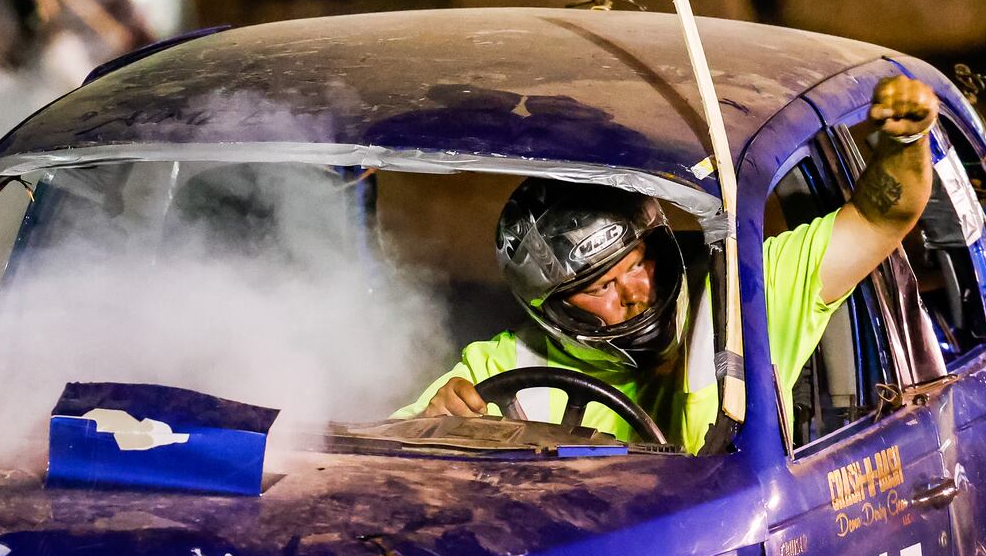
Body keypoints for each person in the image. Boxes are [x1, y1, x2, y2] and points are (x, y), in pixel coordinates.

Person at [397, 75, 940, 453]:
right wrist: (428, 430)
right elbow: (374, 463)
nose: (636, 292)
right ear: (555, 312)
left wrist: (906, 140)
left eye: (638, 262)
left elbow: (880, 219)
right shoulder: (501, 369)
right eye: (601, 286)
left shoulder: (748, 292)